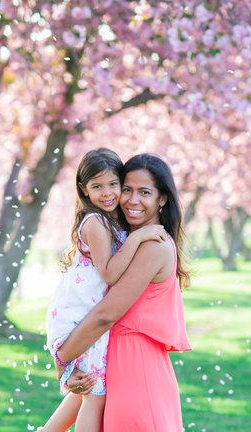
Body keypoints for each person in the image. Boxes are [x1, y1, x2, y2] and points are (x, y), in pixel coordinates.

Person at [55, 153, 192, 431]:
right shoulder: (124, 241)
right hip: (114, 360)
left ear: (162, 199)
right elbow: (85, 397)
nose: (131, 200)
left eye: (145, 192)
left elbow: (106, 315)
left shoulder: (153, 244)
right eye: (127, 189)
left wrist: (62, 358)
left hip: (137, 370)